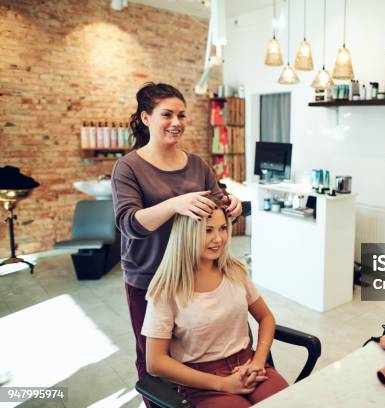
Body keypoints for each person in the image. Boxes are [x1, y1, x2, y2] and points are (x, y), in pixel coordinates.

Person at [111, 83, 242, 398]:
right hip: (150, 278)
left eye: (182, 115)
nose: (177, 122)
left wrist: (232, 205)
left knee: (197, 351)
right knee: (154, 360)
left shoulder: (197, 164)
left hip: (197, 274)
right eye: (167, 114)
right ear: (146, 118)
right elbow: (128, 223)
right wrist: (174, 205)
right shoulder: (128, 167)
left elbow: (217, 204)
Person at [142, 199, 288, 407]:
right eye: (208, 230)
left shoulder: (234, 271)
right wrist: (222, 384)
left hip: (248, 365)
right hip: (202, 382)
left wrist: (258, 361)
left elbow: (266, 317)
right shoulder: (167, 291)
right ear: (187, 234)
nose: (218, 239)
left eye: (222, 228)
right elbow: (155, 362)